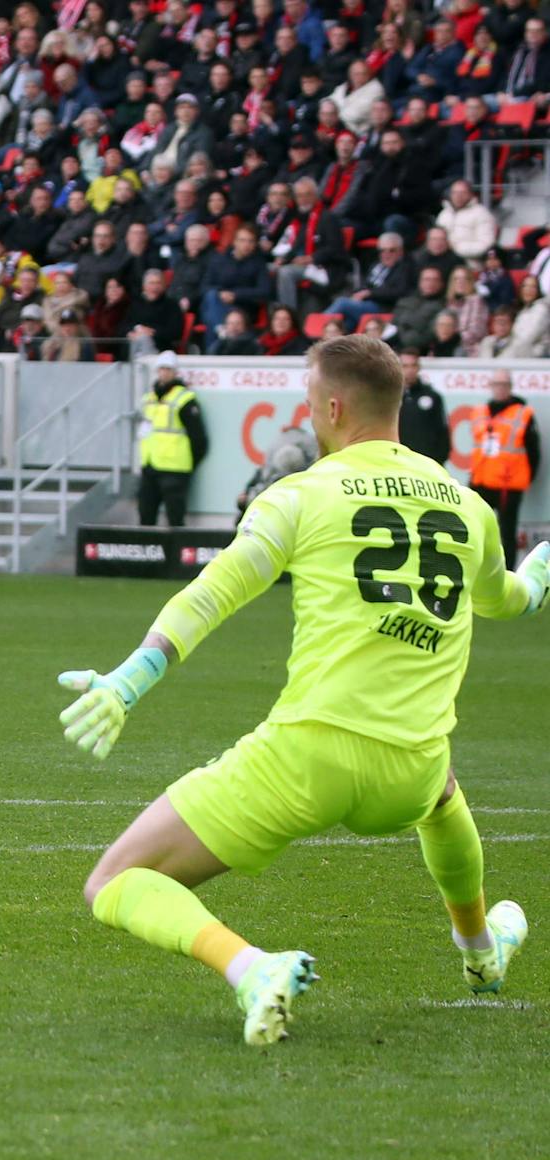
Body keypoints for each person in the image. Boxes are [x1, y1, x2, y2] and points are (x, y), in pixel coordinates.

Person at [58, 336, 546, 1046]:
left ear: (334, 406)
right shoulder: (468, 506)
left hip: (306, 760)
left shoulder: (302, 492)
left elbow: (213, 592)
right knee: (442, 791)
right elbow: (506, 597)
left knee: (113, 881)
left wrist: (131, 680)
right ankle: (479, 951)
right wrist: (540, 576)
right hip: (408, 773)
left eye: (310, 401)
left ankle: (252, 966)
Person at [468, 370, 539, 569]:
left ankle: (508, 575)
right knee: (477, 529)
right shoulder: (480, 412)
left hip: (508, 485)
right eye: (496, 384)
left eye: (503, 384)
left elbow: (534, 452)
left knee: (507, 533)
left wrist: (523, 479)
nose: (499, 388)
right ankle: (478, 570)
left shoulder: (522, 413)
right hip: (481, 481)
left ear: (509, 387)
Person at [136, 351, 208, 527]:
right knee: (146, 513)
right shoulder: (149, 398)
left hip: (175, 468)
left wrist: (189, 463)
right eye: (161, 369)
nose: (163, 373)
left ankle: (174, 553)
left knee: (175, 517)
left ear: (175, 372)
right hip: (150, 465)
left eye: (168, 369)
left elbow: (199, 439)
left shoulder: (184, 399)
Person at [397, 350, 451, 465]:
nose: (410, 370)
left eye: (413, 365)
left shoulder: (432, 396)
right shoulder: (390, 397)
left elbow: (442, 431)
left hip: (426, 464)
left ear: (419, 367)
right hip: (399, 463)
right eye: (405, 366)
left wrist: (439, 461)